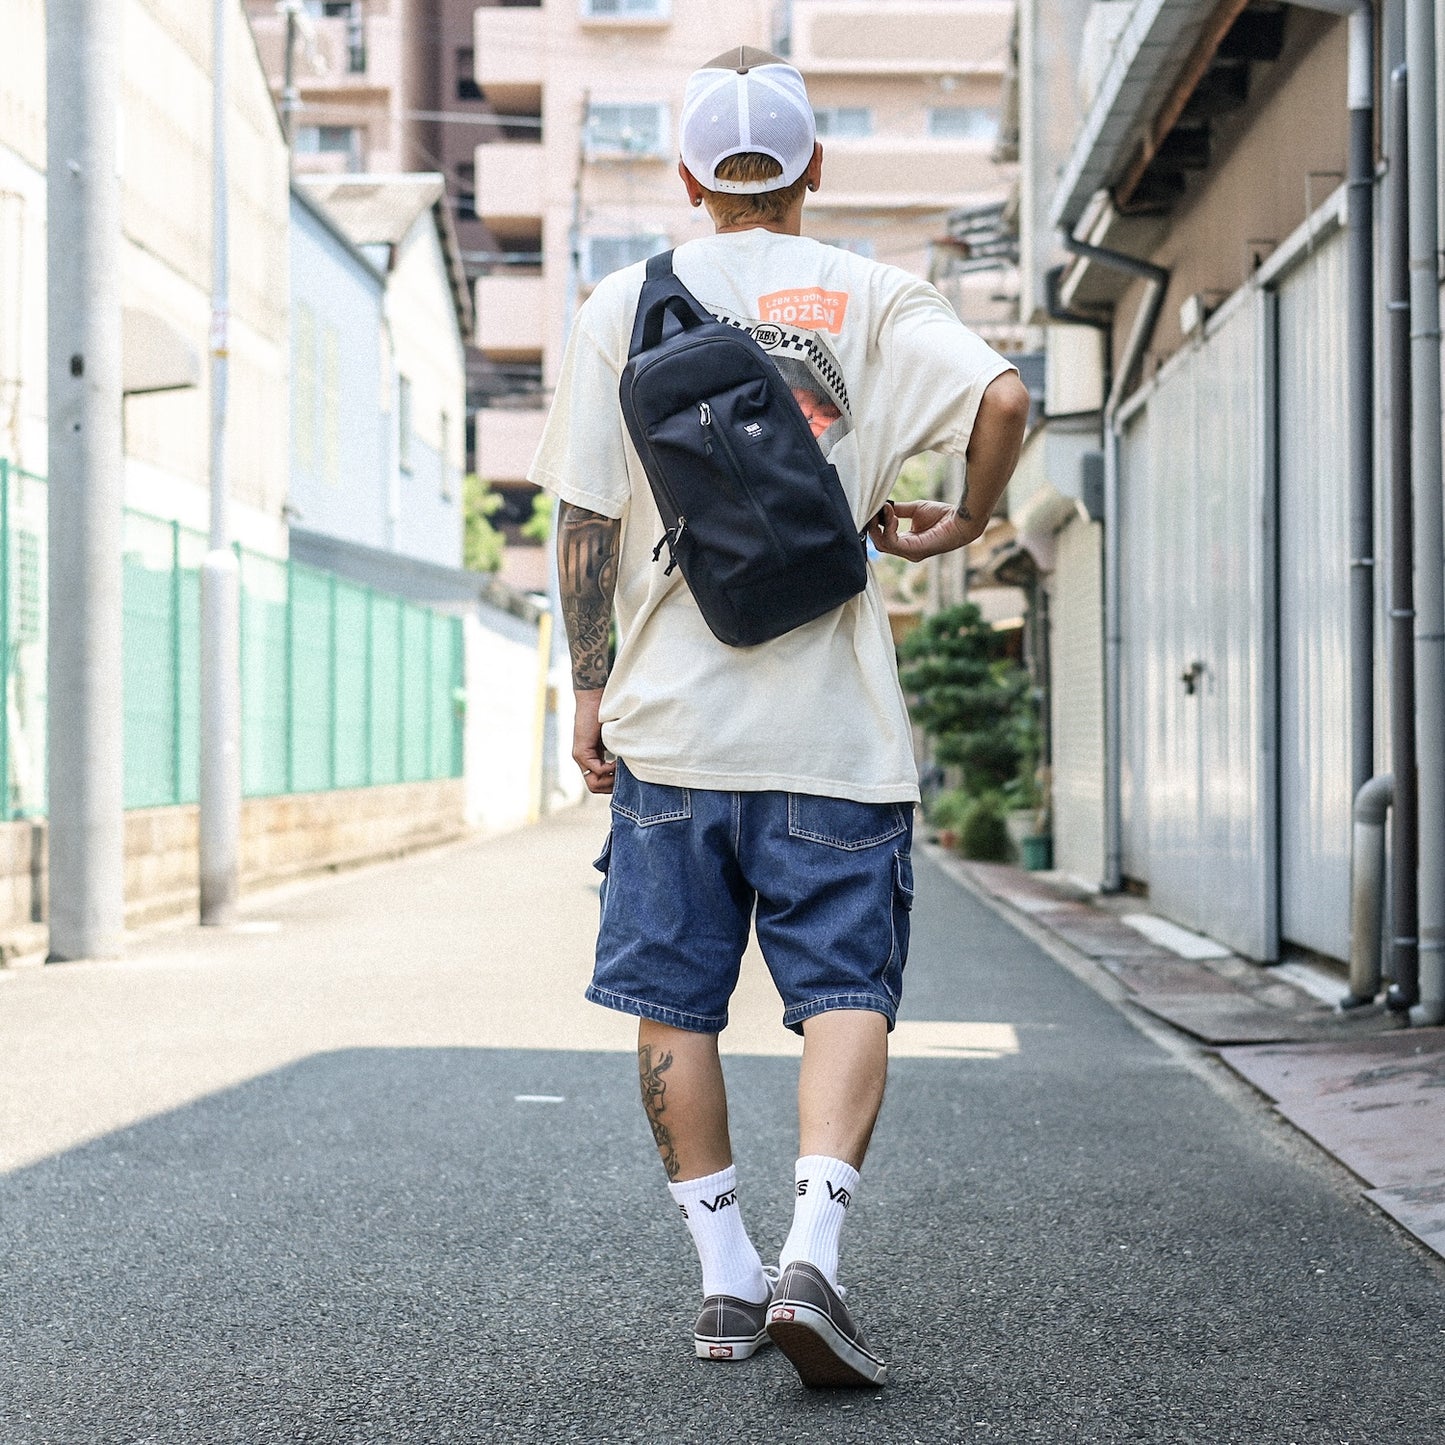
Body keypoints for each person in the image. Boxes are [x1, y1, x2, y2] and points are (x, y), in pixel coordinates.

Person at [529, 45, 1029, 1389]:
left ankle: (724, 1281)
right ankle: (814, 1251)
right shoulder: (876, 294)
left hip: (674, 732)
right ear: (814, 168)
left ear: (692, 177)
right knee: (844, 992)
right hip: (835, 733)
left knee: (669, 1001)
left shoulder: (619, 303)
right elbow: (1004, 395)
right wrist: (971, 513)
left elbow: (581, 517)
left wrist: (587, 688)